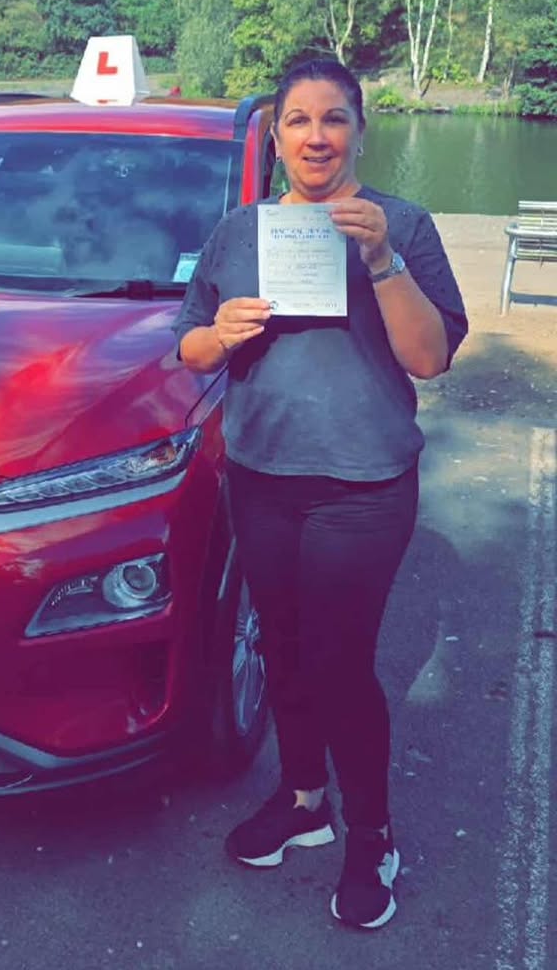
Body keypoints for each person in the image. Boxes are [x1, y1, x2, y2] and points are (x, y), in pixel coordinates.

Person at [173, 59, 467, 931]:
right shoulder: (240, 232)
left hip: (363, 487)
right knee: (285, 650)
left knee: (340, 662)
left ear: (360, 133)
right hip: (262, 479)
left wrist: (380, 259)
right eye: (296, 120)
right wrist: (219, 334)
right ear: (276, 140)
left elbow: (430, 358)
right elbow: (188, 347)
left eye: (333, 118)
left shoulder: (402, 225)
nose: (315, 136)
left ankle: (372, 833)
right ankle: (305, 801)